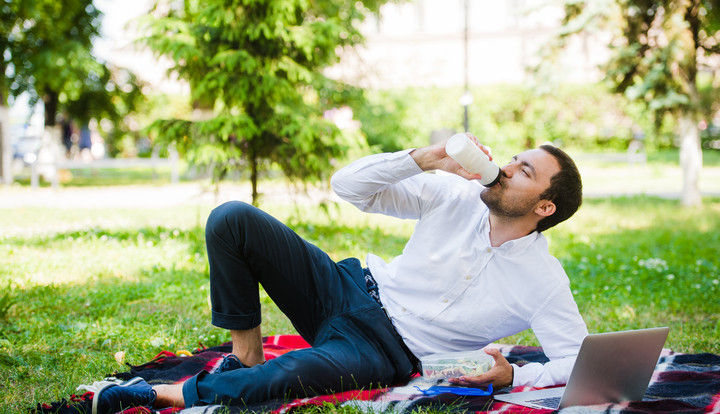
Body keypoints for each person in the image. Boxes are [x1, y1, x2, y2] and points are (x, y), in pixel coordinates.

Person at [91, 134, 588, 413]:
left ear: (544, 206)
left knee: (291, 373)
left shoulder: (542, 279)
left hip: (385, 351)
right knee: (232, 219)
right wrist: (422, 159)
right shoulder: (452, 193)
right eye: (515, 158)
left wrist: (516, 375)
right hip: (345, 289)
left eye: (523, 171)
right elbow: (349, 188)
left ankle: (162, 395)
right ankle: (243, 358)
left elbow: (577, 361)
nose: (505, 168)